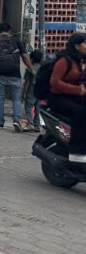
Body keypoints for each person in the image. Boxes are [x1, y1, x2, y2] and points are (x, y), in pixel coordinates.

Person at [0, 22, 34, 132]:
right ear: (10, 31)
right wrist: (32, 70)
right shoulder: (16, 41)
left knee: (0, 97)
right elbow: (25, 57)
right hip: (14, 73)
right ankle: (16, 119)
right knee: (16, 98)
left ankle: (0, 121)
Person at [44, 32, 86, 160]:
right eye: (85, 43)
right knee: (80, 112)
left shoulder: (79, 60)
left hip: (70, 97)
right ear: (76, 46)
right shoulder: (65, 60)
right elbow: (54, 82)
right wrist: (77, 90)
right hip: (56, 98)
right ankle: (76, 151)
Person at [22, 48, 43, 131]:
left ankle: (29, 123)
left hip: (32, 89)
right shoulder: (43, 68)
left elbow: (26, 82)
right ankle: (36, 125)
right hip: (41, 90)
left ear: (32, 59)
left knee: (28, 106)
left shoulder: (30, 69)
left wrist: (24, 93)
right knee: (37, 108)